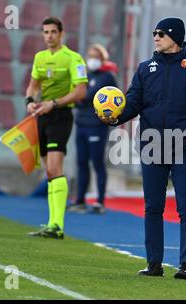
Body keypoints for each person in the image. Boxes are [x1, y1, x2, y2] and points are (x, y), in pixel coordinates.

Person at [100, 18, 186, 280]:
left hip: (185, 145)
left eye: (160, 33)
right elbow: (133, 103)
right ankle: (154, 264)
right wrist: (115, 118)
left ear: (175, 37)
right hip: (152, 145)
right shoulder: (145, 69)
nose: (155, 37)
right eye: (154, 32)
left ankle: (185, 265)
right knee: (153, 206)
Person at [25, 17, 88, 239]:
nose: (49, 36)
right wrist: (30, 101)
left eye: (53, 32)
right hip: (42, 115)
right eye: (45, 32)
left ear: (61, 34)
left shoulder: (73, 58)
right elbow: (33, 85)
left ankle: (58, 225)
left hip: (60, 115)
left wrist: (54, 103)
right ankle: (52, 223)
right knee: (49, 170)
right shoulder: (40, 58)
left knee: (54, 167)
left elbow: (80, 92)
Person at [67, 44, 118, 214]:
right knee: (81, 162)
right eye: (90, 55)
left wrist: (80, 96)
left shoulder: (107, 77)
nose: (92, 60)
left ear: (103, 59)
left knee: (97, 162)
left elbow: (87, 96)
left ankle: (100, 201)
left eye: (95, 56)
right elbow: (78, 94)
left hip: (97, 126)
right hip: (81, 123)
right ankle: (80, 200)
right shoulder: (87, 75)